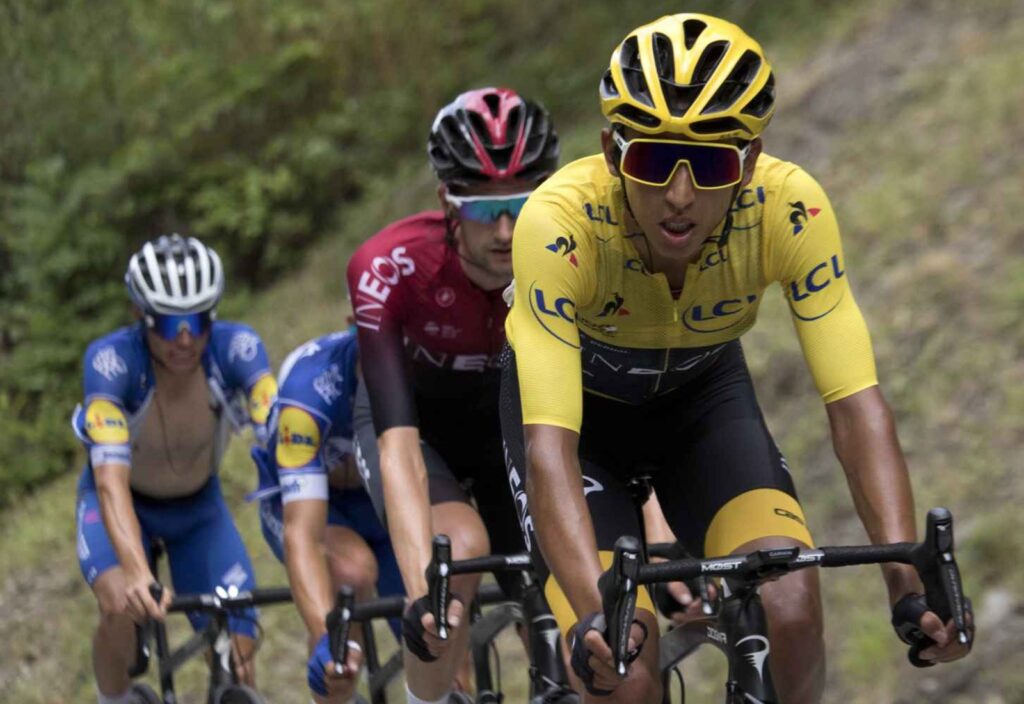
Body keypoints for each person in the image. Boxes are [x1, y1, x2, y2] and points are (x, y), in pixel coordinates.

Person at [499, 13, 972, 703]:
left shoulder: (790, 210)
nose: (681, 195)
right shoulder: (558, 224)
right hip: (581, 435)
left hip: (701, 406)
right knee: (624, 671)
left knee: (792, 611)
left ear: (750, 162)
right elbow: (550, 449)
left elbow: (855, 404)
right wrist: (595, 615)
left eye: (714, 162)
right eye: (654, 161)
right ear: (610, 151)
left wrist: (907, 580)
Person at [346, 87, 564, 703]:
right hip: (417, 430)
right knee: (455, 560)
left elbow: (605, 412)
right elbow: (398, 449)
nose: (503, 231)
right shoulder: (389, 266)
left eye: (522, 205)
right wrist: (422, 591)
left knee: (567, 582)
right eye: (480, 210)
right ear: (447, 201)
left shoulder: (570, 253)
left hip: (510, 429)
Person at [73, 234, 278, 703]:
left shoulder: (239, 348)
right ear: (141, 317)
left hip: (197, 508)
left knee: (241, 647)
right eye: (168, 324)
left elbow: (279, 426)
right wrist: (136, 570)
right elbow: (108, 480)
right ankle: (118, 697)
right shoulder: (111, 363)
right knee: (120, 604)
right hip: (125, 503)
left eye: (198, 319)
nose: (185, 338)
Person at [249, 329, 403, 703]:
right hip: (311, 501)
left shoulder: (426, 368)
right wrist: (325, 638)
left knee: (444, 644)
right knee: (349, 574)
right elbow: (304, 536)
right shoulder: (310, 388)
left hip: (375, 497)